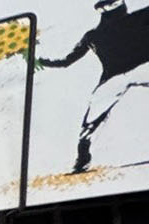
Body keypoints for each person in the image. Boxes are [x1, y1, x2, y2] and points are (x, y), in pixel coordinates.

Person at [39, 0, 149, 174]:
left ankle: (82, 160)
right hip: (143, 68)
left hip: (113, 78)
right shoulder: (141, 16)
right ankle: (82, 160)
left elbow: (66, 62)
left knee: (90, 124)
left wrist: (38, 61)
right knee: (91, 121)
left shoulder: (92, 36)